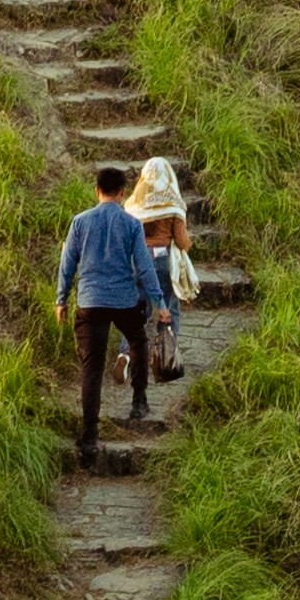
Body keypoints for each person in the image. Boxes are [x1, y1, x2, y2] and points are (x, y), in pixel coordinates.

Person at [55, 162, 161, 467]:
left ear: (97, 190)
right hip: (124, 301)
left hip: (90, 302)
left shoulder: (79, 222)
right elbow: (143, 266)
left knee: (92, 367)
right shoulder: (131, 225)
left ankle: (89, 436)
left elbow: (68, 264)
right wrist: (160, 302)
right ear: (122, 193)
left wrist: (61, 300)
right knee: (139, 343)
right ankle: (139, 401)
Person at [132, 157, 195, 382]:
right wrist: (188, 245)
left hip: (140, 261)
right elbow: (181, 239)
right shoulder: (172, 204)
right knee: (170, 307)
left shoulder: (136, 203)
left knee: (140, 308)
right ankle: (166, 357)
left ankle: (128, 354)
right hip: (163, 259)